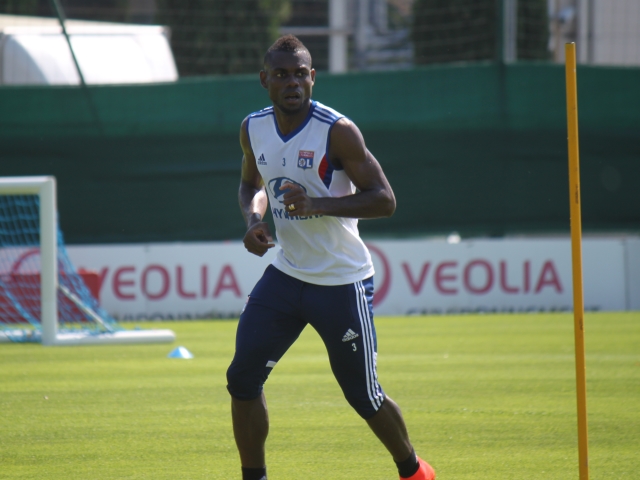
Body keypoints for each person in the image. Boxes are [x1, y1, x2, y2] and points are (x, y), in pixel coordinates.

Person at [226, 34, 436, 480]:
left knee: (364, 396)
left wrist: (317, 205)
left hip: (341, 281)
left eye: (300, 74)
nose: (292, 82)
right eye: (281, 74)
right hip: (286, 275)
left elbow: (384, 200)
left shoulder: (336, 130)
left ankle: (415, 471)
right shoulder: (253, 127)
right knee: (242, 379)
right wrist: (254, 220)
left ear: (313, 78)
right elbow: (252, 185)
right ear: (264, 79)